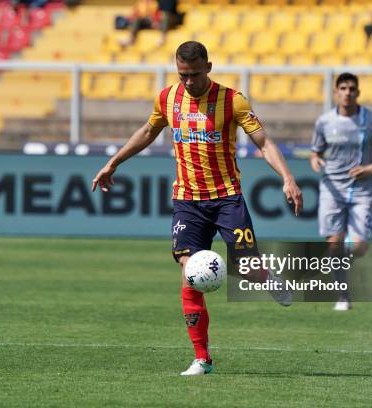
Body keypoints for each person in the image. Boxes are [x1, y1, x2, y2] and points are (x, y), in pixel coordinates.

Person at [92, 41, 303, 376]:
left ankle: (264, 276)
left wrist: (288, 178)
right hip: (188, 200)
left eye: (193, 74)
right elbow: (148, 131)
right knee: (189, 272)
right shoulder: (167, 98)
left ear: (208, 66)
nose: (188, 81)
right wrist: (113, 162)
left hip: (227, 197)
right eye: (182, 74)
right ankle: (202, 358)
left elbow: (263, 142)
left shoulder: (232, 100)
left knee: (246, 266)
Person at [310, 72, 372, 311]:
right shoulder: (324, 122)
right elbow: (316, 152)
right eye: (343, 88)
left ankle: (337, 255)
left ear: (358, 92)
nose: (347, 93)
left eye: (352, 89)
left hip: (362, 190)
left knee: (358, 248)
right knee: (334, 244)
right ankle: (343, 295)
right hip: (332, 189)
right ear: (336, 92)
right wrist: (315, 161)